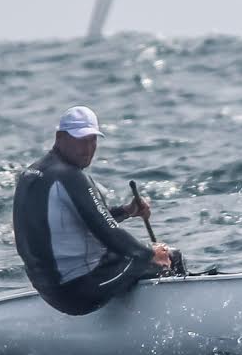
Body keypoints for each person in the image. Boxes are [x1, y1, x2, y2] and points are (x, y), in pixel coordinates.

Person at [12, 105, 183, 315]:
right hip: (79, 292)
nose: (87, 148)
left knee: (131, 256)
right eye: (80, 140)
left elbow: (86, 220)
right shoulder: (69, 176)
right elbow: (107, 232)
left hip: (50, 289)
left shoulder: (33, 172)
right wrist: (149, 254)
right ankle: (178, 318)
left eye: (92, 140)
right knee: (169, 256)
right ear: (60, 137)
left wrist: (127, 211)